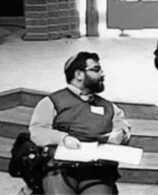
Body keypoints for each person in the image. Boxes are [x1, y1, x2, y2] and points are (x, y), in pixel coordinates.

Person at [28, 51, 131, 195]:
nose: (102, 74)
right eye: (96, 70)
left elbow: (123, 126)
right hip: (60, 167)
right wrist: (63, 138)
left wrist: (121, 134)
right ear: (78, 74)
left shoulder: (109, 107)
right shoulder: (51, 102)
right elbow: (37, 131)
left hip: (96, 169)